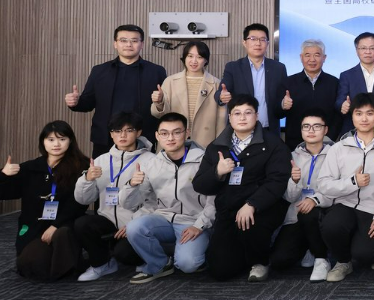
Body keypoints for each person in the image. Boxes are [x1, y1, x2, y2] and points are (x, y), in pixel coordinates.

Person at [192, 94, 292, 282]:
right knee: (220, 271)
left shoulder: (273, 144)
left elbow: (277, 180)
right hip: (228, 208)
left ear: (257, 115)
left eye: (248, 112)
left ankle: (260, 261)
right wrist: (217, 172)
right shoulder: (217, 146)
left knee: (252, 227)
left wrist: (252, 204)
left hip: (263, 207)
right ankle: (244, 256)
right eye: (237, 113)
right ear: (230, 117)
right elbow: (199, 184)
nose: (242, 117)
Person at [312, 93, 374, 281]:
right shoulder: (339, 148)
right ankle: (343, 262)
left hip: (373, 210)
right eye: (359, 113)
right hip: (344, 205)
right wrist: (352, 182)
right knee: (331, 225)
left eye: (369, 113)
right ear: (352, 117)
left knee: (365, 255)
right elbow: (324, 184)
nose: (364, 119)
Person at [0, 121, 90, 281]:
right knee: (32, 264)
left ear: (70, 141)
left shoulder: (82, 166)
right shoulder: (31, 168)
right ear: (43, 142)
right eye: (51, 139)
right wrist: (2, 175)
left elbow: (79, 203)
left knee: (62, 240)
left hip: (64, 224)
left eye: (62, 139)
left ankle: (69, 263)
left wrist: (55, 226)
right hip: (35, 227)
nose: (56, 144)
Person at [121, 112, 214, 283]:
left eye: (176, 132)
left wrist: (199, 225)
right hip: (163, 219)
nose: (170, 138)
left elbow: (214, 200)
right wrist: (131, 185)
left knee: (187, 264)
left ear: (187, 133)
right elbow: (130, 204)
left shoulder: (204, 161)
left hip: (193, 222)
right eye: (164, 133)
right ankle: (160, 264)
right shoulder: (152, 164)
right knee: (134, 227)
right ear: (157, 136)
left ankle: (200, 249)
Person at [72, 111, 152, 281]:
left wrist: (134, 223)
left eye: (129, 130)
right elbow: (83, 199)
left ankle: (151, 258)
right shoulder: (101, 160)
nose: (122, 135)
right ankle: (102, 265)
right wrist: (87, 180)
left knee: (125, 254)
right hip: (107, 220)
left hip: (135, 222)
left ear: (138, 132)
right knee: (82, 224)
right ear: (111, 134)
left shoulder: (151, 161)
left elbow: (157, 201)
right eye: (117, 131)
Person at [65, 24, 167, 157]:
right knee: (103, 170)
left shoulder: (156, 71)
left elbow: (164, 107)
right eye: (123, 40)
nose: (128, 44)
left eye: (134, 41)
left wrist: (161, 100)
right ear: (115, 44)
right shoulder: (99, 71)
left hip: (144, 137)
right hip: (106, 137)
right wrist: (76, 102)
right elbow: (88, 103)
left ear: (142, 44)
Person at [268, 110, 335, 281]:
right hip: (296, 215)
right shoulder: (291, 156)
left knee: (311, 213)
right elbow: (289, 197)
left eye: (316, 126)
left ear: (325, 130)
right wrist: (295, 181)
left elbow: (339, 189)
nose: (311, 130)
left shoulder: (335, 155)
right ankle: (309, 247)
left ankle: (321, 258)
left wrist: (315, 199)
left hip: (327, 211)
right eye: (306, 126)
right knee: (279, 261)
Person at [217, 23, 290, 139]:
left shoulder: (278, 68)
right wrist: (222, 97)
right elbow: (219, 94)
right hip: (241, 131)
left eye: (262, 39)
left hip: (269, 131)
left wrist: (283, 105)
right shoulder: (233, 67)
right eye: (253, 39)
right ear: (244, 42)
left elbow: (280, 103)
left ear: (268, 43)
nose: (258, 43)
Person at [150, 40, 226, 149]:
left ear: (206, 60)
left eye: (199, 57)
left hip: (205, 142)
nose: (194, 61)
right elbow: (157, 115)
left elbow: (221, 120)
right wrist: (159, 102)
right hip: (172, 142)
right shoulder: (170, 81)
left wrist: (218, 147)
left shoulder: (216, 84)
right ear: (184, 58)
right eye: (190, 56)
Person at [282, 39, 340, 150]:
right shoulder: (288, 82)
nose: (312, 59)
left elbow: (338, 116)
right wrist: (282, 105)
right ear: (301, 57)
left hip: (327, 144)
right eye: (307, 55)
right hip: (295, 144)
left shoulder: (334, 83)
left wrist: (330, 137)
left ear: (324, 58)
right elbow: (276, 112)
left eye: (317, 55)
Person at [336, 32, 374, 139]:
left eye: (372, 48)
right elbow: (339, 100)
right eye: (363, 48)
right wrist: (342, 105)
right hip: (353, 130)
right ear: (357, 50)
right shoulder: (347, 75)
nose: (367, 52)